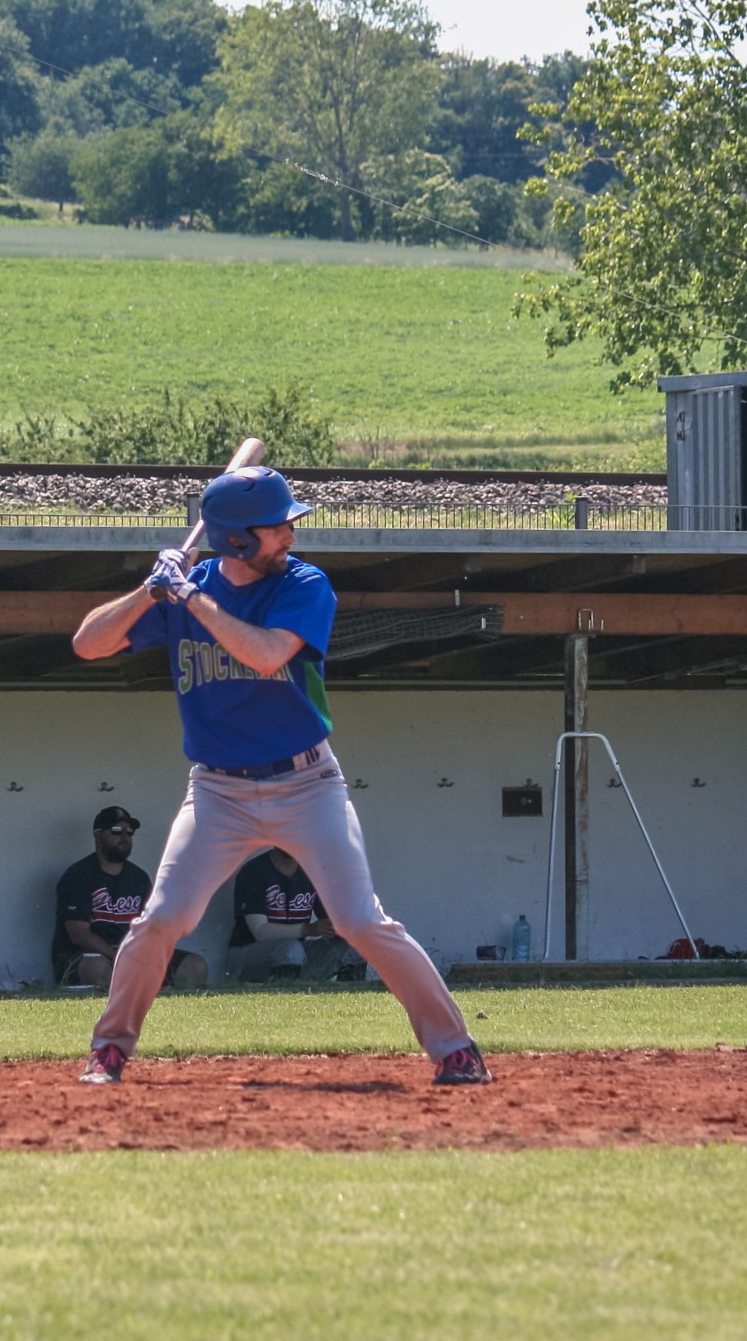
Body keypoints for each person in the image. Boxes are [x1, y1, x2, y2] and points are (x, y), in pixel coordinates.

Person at [67, 466, 489, 1087]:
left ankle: (456, 1049)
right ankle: (110, 1050)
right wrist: (146, 591)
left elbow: (265, 653)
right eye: (277, 525)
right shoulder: (190, 585)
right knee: (160, 919)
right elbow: (87, 644)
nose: (291, 532)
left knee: (359, 920)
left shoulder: (304, 583)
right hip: (217, 791)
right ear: (237, 540)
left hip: (307, 782)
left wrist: (186, 597)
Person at [53, 805, 206, 991]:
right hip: (86, 956)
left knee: (194, 965)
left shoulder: (139, 878)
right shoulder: (79, 875)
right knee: (100, 968)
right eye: (116, 831)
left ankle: (166, 1010)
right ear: (98, 835)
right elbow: (79, 934)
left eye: (129, 832)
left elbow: (151, 927)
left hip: (131, 954)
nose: (124, 837)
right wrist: (115, 954)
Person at [226, 847, 353, 983]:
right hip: (247, 953)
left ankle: (351, 998)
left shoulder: (314, 871)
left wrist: (345, 929)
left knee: (352, 948)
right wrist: (309, 929)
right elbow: (260, 931)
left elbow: (329, 920)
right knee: (290, 949)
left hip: (296, 955)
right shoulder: (254, 870)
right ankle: (285, 1000)